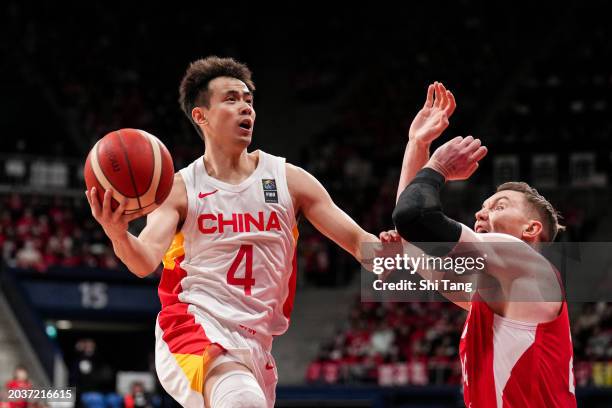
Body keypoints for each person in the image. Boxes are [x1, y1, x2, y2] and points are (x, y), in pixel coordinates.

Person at [85, 56, 382, 408]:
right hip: (192, 329)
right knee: (242, 401)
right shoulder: (180, 189)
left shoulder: (290, 180)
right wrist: (118, 233)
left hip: (256, 345)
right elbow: (144, 259)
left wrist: (417, 159)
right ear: (201, 116)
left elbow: (367, 250)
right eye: (231, 99)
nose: (245, 108)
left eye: (248, 100)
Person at [386, 82, 576, 407]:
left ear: (531, 228)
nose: (481, 211)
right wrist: (418, 144)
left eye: (499, 206)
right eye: (484, 206)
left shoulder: (525, 261)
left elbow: (414, 216)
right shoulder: (494, 293)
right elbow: (415, 243)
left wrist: (439, 168)